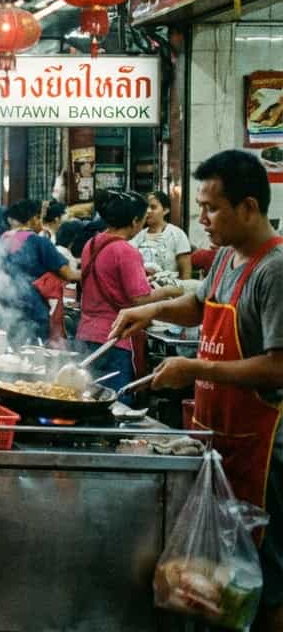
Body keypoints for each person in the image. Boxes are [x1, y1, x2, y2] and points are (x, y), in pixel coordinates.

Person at [111, 151, 283, 627]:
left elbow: (277, 367)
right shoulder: (229, 256)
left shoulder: (275, 270)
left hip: (265, 453)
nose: (202, 218)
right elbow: (199, 304)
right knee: (220, 582)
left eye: (211, 207)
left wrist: (195, 366)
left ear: (248, 207)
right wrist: (151, 311)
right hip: (219, 441)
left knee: (266, 582)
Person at [76, 191, 183, 400]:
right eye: (142, 220)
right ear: (134, 221)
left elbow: (105, 279)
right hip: (115, 339)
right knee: (116, 402)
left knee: (88, 398)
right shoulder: (126, 251)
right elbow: (140, 299)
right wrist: (173, 290)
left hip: (87, 335)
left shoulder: (92, 243)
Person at [0, 198, 79, 345]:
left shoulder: (4, 239)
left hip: (5, 306)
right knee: (34, 351)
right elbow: (69, 274)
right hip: (32, 307)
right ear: (32, 219)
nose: (40, 223)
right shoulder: (39, 241)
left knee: (11, 349)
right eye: (39, 218)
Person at [132, 190, 193, 280]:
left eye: (153, 207)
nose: (148, 211)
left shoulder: (177, 234)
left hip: (170, 290)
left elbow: (185, 272)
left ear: (165, 210)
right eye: (146, 208)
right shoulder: (137, 236)